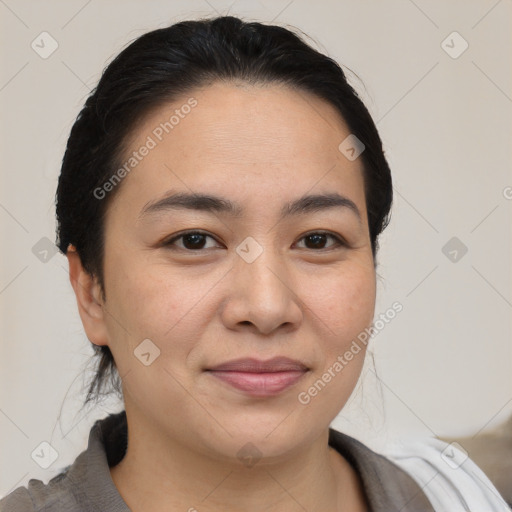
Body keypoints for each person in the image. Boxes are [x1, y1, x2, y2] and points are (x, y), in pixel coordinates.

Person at [0, 15, 509, 512]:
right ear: (91, 290)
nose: (266, 307)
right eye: (195, 240)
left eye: (317, 239)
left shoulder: (460, 495)